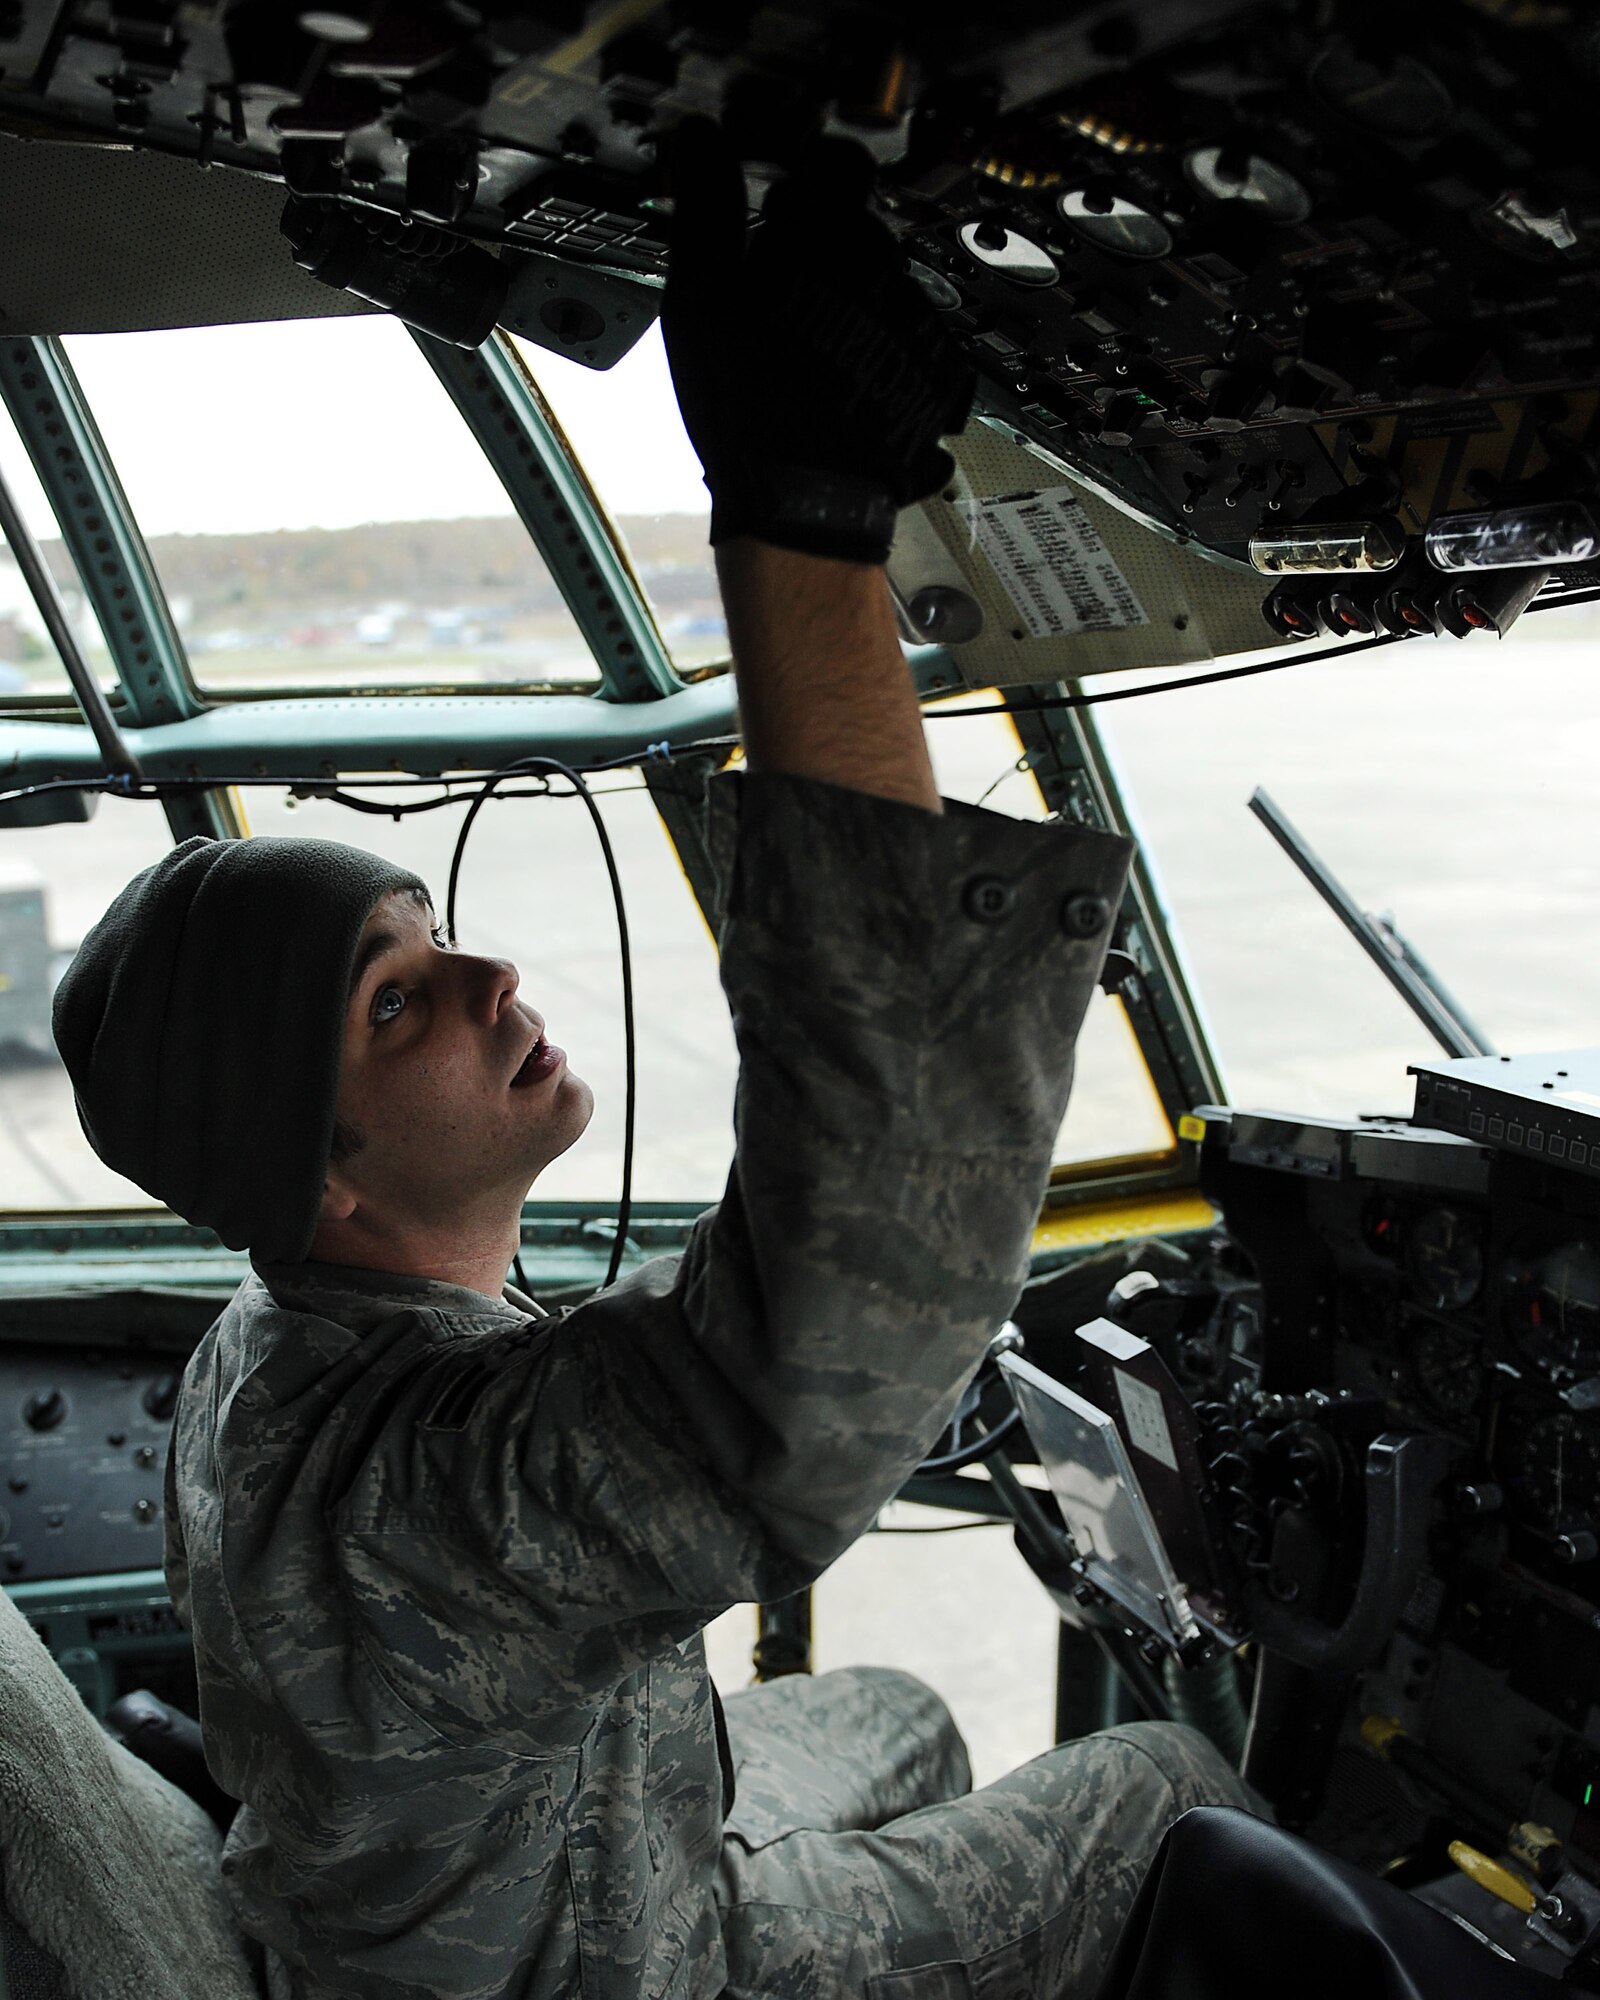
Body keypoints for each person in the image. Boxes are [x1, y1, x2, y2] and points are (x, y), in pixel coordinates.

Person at [50, 124, 1251, 1999]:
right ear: (326, 1178)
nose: (481, 974)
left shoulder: (279, 1333)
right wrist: (806, 518)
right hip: (620, 1969)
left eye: (424, 934)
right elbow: (821, 1343)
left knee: (903, 1715)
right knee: (1162, 1790)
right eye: (394, 1001)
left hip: (502, 1875)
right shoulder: (424, 1497)